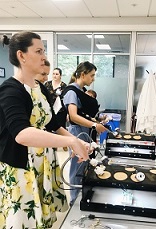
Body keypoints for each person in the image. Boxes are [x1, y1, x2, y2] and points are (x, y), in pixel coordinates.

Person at [0, 31, 90, 229]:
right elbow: (22, 134)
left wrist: (78, 142)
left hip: (43, 163)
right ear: (21, 56)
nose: (44, 57)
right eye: (39, 51)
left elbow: (52, 125)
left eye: (44, 51)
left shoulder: (40, 88)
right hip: (22, 168)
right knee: (24, 221)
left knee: (43, 221)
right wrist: (71, 141)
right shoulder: (10, 90)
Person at [63, 61, 107, 205]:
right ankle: (74, 200)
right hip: (77, 132)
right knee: (77, 166)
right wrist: (94, 124)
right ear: (83, 74)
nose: (93, 79)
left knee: (85, 165)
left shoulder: (80, 92)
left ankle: (83, 193)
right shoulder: (71, 92)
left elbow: (83, 115)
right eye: (92, 75)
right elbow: (74, 116)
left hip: (85, 131)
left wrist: (97, 121)